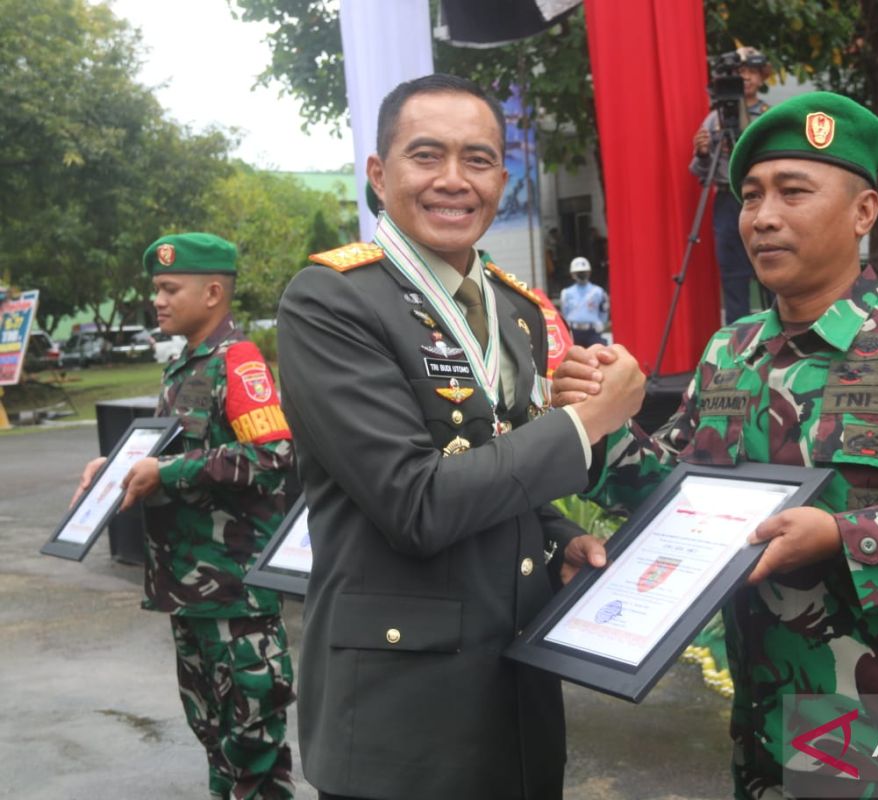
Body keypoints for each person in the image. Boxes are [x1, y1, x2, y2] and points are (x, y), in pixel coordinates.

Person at [554, 93, 878, 799]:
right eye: (751, 196)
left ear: (864, 212)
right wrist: (597, 427)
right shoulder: (730, 350)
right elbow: (671, 493)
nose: (764, 217)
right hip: (763, 709)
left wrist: (842, 536)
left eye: (793, 192)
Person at [274, 73, 645, 800]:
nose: (453, 180)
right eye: (426, 155)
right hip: (398, 717)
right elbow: (417, 503)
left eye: (477, 159)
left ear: (502, 179)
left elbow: (498, 458)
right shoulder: (331, 302)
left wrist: (559, 533)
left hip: (514, 690)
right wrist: (588, 422)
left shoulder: (514, 310)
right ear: (379, 175)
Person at [72, 232, 296, 800]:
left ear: (214, 292)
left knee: (253, 753)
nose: (159, 300)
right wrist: (114, 468)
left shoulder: (238, 362)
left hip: (237, 598)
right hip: (192, 594)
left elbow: (273, 456)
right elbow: (170, 452)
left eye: (170, 288)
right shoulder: (185, 368)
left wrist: (164, 474)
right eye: (157, 289)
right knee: (216, 742)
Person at [691, 46, 772, 323]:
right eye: (740, 72)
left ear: (762, 78)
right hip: (727, 201)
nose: (746, 77)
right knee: (733, 275)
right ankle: (738, 342)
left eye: (752, 72)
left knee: (773, 269)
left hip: (764, 198)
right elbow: (702, 172)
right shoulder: (715, 119)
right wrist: (702, 153)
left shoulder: (770, 116)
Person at [560, 256, 609, 347]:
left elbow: (604, 311)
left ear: (589, 273)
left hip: (593, 332)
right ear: (572, 274)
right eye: (579, 273)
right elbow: (564, 313)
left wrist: (601, 324)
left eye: (584, 272)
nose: (582, 275)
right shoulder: (566, 293)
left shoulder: (598, 291)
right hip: (574, 332)